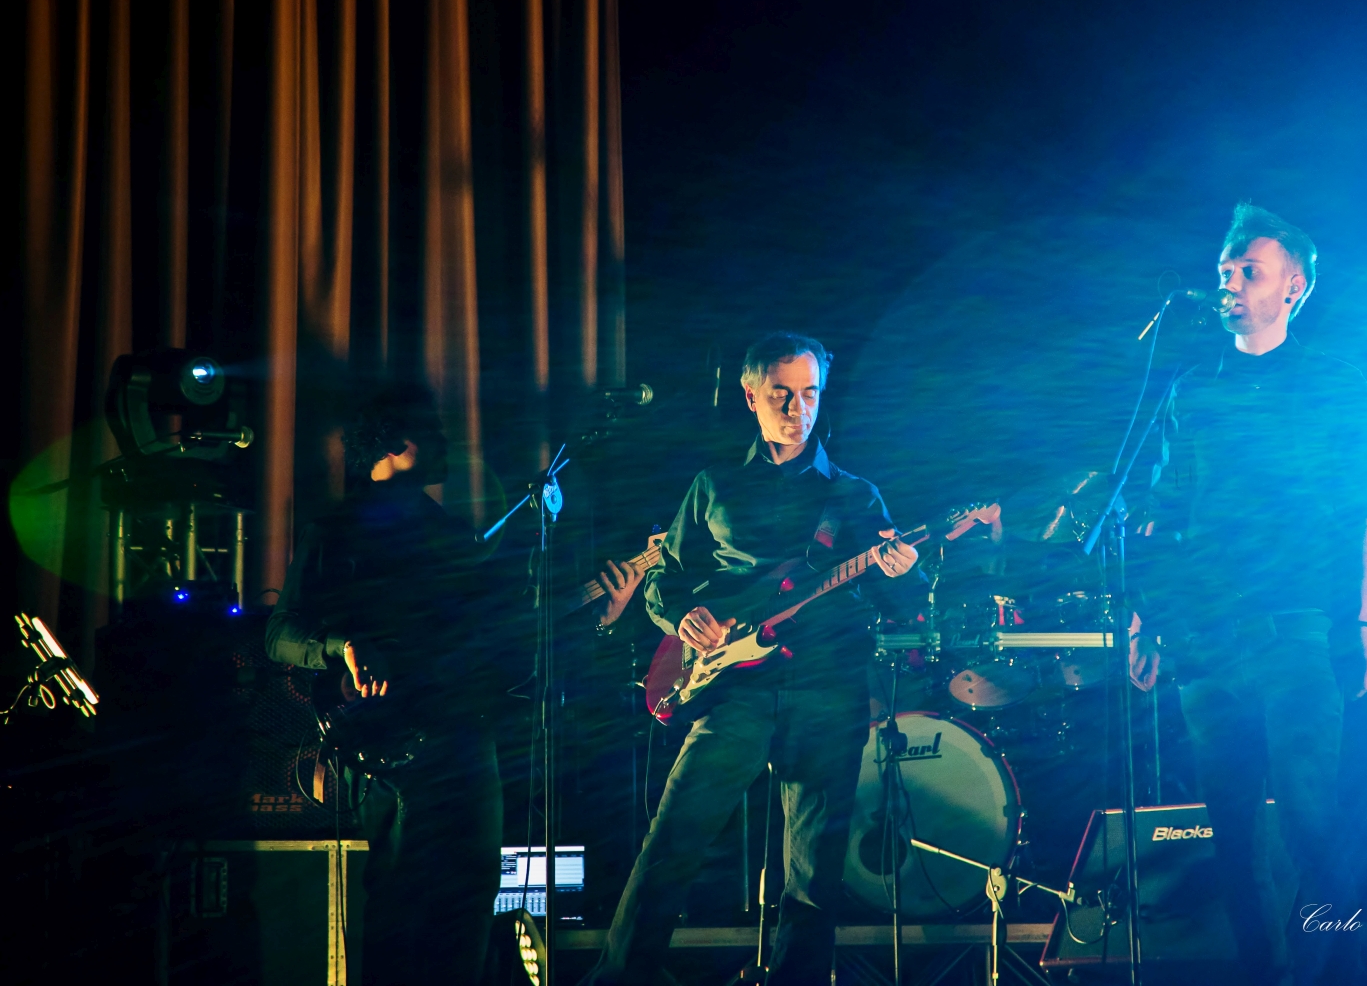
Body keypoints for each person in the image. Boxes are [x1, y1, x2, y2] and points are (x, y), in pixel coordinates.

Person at [265, 383, 641, 984]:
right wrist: (344, 646)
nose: (445, 443)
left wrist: (598, 616)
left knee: (469, 897)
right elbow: (280, 634)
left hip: (465, 735)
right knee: (402, 901)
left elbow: (506, 643)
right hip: (384, 740)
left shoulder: (450, 535)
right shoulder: (336, 530)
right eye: (432, 433)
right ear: (393, 441)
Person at [587, 332, 926, 985]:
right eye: (782, 394)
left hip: (826, 689)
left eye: (810, 393)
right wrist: (683, 617)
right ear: (750, 395)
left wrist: (905, 570)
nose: (799, 409)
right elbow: (664, 581)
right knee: (672, 842)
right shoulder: (713, 485)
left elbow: (903, 599)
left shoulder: (855, 496)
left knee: (812, 876)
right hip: (732, 692)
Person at [1128, 204, 1367, 986]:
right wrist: (1146, 619)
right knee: (1234, 841)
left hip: (1296, 633)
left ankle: (1341, 973)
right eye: (1224, 271)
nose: (1231, 283)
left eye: (1249, 271)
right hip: (1205, 641)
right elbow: (1162, 514)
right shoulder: (1191, 389)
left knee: (1312, 824)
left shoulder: (1333, 383)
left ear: (1293, 287)